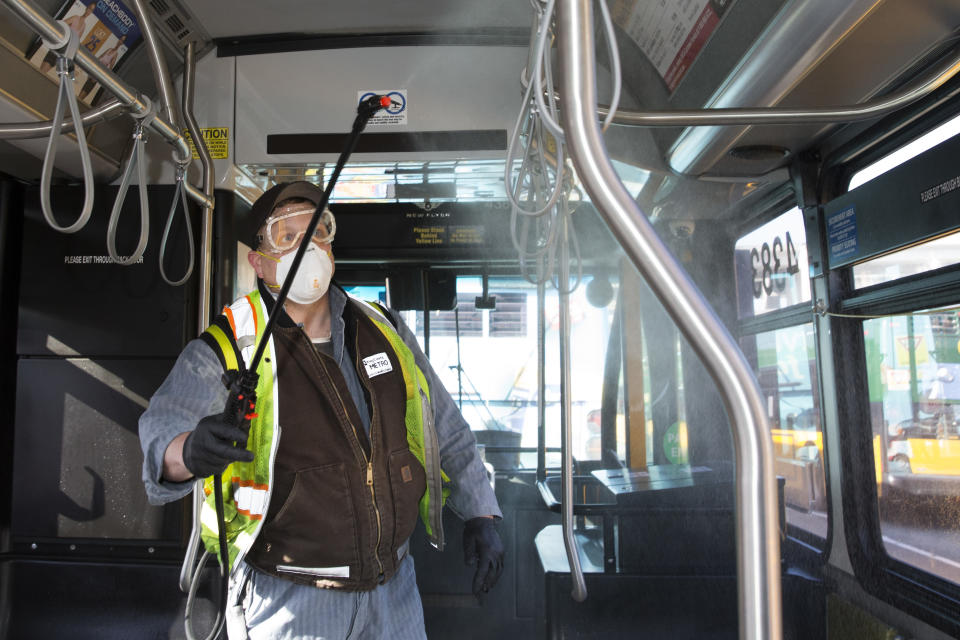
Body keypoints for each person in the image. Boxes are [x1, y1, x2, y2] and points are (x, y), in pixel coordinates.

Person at [139, 181, 505, 639]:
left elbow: (444, 426)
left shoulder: (384, 329)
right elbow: (162, 430)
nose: (307, 248)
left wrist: (481, 512)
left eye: (316, 233)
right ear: (259, 261)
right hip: (290, 600)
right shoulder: (230, 344)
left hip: (395, 593)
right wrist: (190, 451)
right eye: (286, 238)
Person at [39, 1, 95, 73]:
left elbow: (76, 42)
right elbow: (61, 25)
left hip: (63, 52)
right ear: (86, 8)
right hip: (59, 46)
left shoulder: (83, 26)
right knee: (43, 69)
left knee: (44, 70)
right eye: (89, 8)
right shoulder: (75, 18)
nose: (89, 11)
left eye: (91, 10)